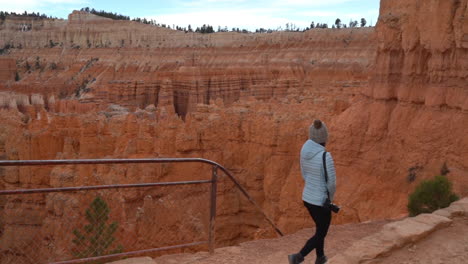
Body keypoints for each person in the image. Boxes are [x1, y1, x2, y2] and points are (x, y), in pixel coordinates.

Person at [288, 120, 337, 264]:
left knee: (319, 228)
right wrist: (330, 198)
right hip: (320, 200)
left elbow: (304, 175)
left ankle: (320, 257)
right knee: (322, 233)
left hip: (307, 198)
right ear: (324, 137)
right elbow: (332, 183)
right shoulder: (325, 156)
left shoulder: (304, 152)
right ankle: (298, 257)